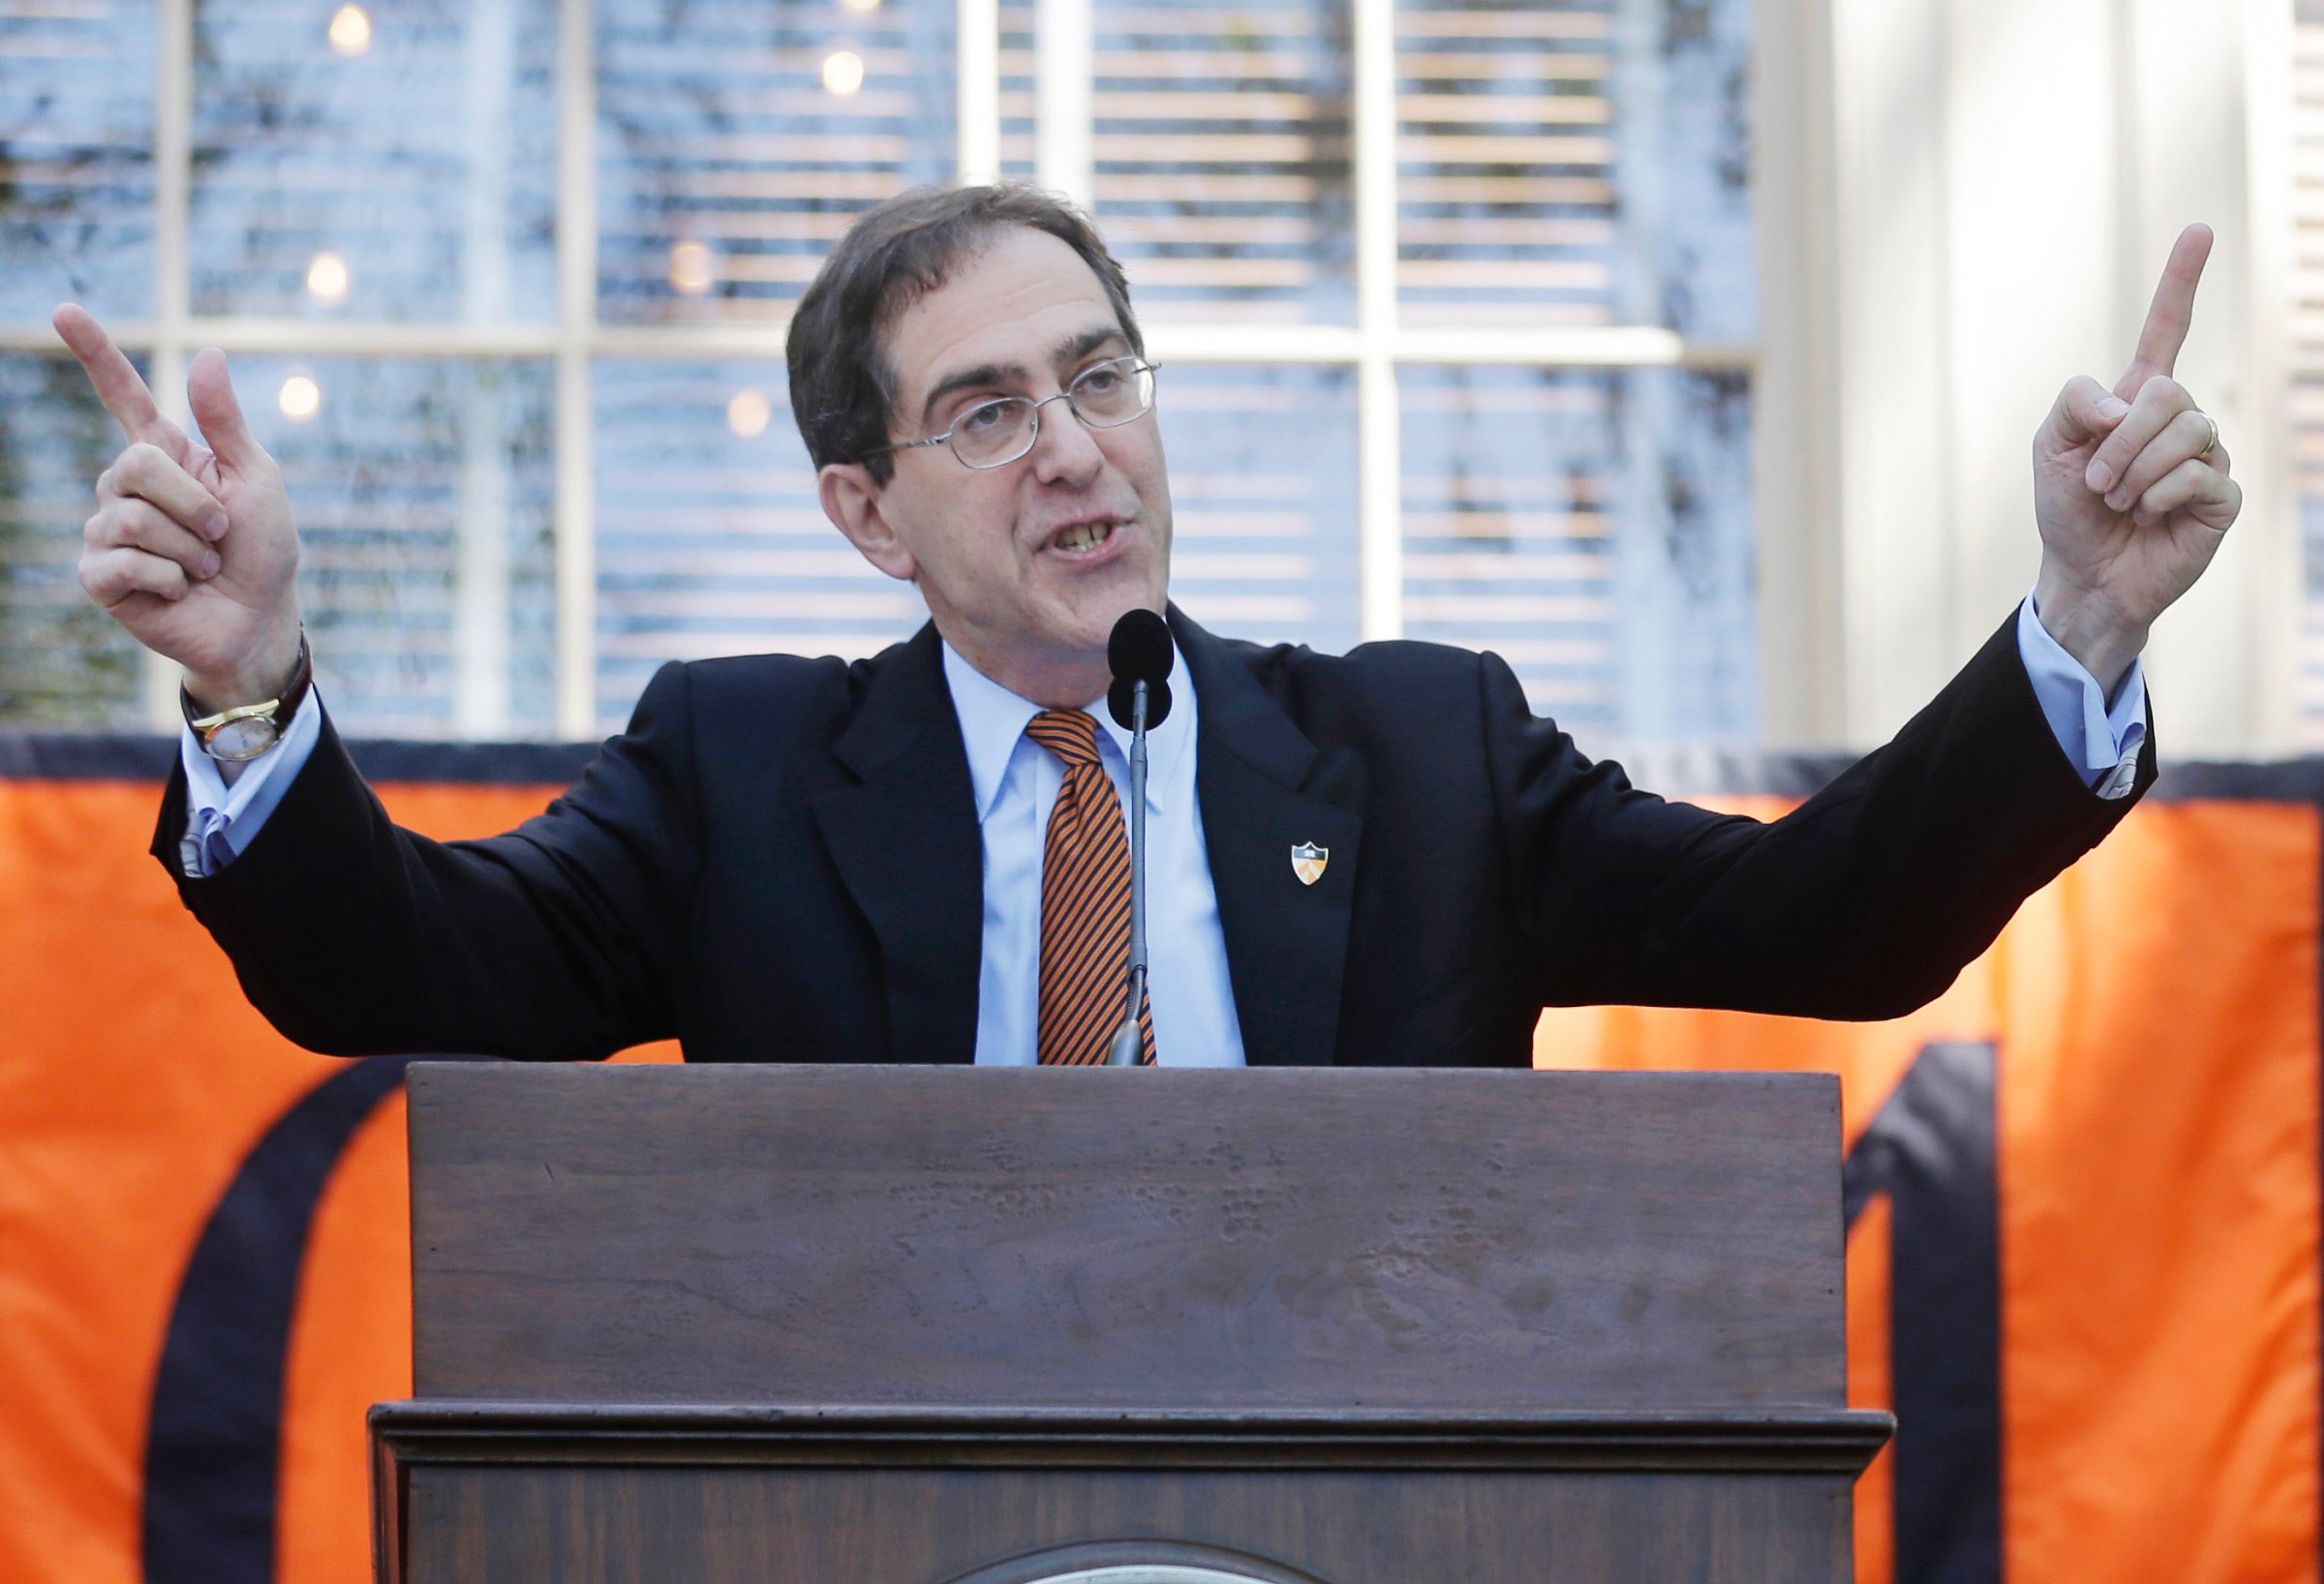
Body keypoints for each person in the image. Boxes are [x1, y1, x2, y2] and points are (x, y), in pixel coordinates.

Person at [49, 185, 2239, 1067]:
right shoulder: (733, 773)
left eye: (1102, 378)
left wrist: (2079, 617)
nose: (1078, 450)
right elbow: (402, 970)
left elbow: (1828, 929)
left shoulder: (1418, 753)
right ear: (866, 513)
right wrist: (249, 690)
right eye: (988, 412)